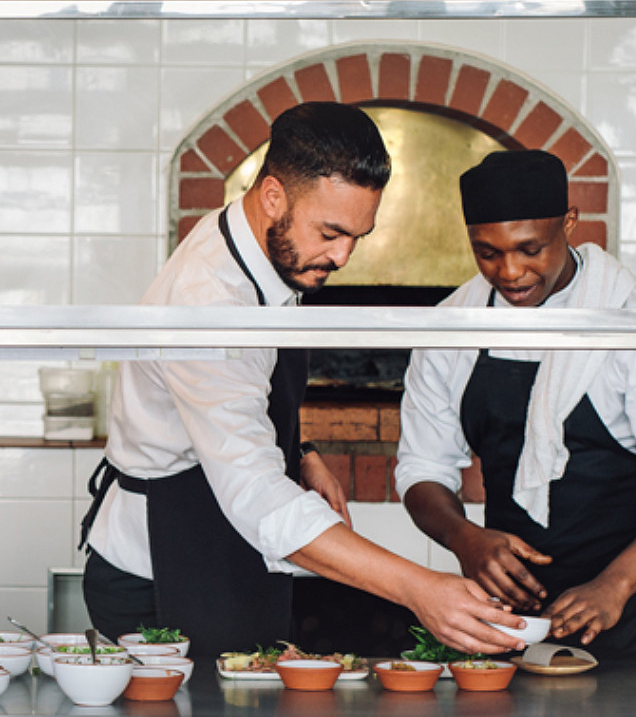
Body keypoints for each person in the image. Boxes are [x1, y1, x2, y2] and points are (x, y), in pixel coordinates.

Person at [79, 102, 525, 657]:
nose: (343, 256)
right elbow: (258, 496)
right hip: (160, 575)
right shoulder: (209, 304)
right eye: (332, 233)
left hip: (213, 543)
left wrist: (303, 448)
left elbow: (241, 391)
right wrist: (419, 588)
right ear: (272, 195)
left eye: (357, 236)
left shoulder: (260, 239)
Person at [395, 150, 636, 660]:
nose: (510, 271)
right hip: (507, 616)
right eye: (487, 253)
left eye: (531, 249)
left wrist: (614, 584)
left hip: (630, 610)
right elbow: (422, 467)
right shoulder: (453, 326)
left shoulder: (633, 323)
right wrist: (464, 539)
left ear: (569, 223)